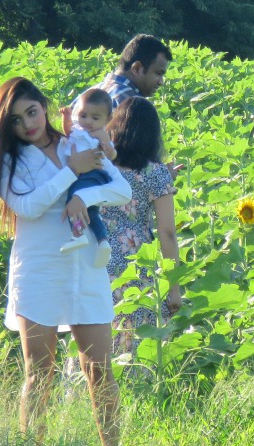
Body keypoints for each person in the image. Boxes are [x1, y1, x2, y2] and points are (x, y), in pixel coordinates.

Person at [0, 77, 132, 446]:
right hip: (38, 270)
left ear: (44, 105)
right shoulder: (9, 161)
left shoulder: (77, 141)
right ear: (5, 127)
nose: (28, 124)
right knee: (40, 373)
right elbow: (29, 207)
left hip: (85, 267)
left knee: (99, 371)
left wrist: (82, 195)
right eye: (17, 120)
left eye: (32, 111)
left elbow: (120, 189)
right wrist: (69, 174)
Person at [101, 96, 182, 356]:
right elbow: (167, 233)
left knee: (96, 331)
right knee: (137, 335)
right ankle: (137, 392)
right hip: (136, 264)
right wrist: (174, 289)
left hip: (96, 256)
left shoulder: (102, 166)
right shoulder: (156, 173)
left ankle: (84, 392)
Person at [57, 88, 118, 267]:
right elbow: (68, 132)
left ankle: (78, 235)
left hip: (93, 173)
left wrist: (107, 147)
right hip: (82, 174)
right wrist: (66, 118)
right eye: (83, 115)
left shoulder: (100, 134)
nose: (88, 122)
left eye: (95, 118)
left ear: (108, 120)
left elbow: (112, 155)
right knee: (91, 211)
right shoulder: (78, 129)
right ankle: (102, 241)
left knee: (73, 201)